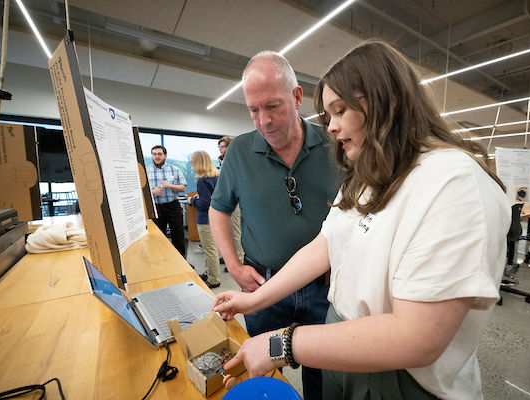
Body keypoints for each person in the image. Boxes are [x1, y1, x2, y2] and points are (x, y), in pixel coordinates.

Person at [213, 40, 511, 400]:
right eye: (328, 116)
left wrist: (283, 344)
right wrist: (254, 300)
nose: (332, 129)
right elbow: (323, 245)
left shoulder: (453, 182)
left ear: (389, 101)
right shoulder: (368, 174)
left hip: (404, 378)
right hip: (346, 348)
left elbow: (416, 338)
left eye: (340, 111)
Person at [209, 51, 339, 400]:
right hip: (262, 286)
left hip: (324, 289)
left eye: (273, 106)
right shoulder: (238, 152)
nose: (263, 121)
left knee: (323, 379)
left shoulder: (336, 144)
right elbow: (218, 210)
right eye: (254, 110)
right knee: (258, 375)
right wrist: (234, 266)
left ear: (297, 97)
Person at [147, 145, 187, 257]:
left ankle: (181, 262)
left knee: (178, 235)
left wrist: (170, 185)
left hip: (172, 206)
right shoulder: (146, 171)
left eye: (159, 154)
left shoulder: (175, 169)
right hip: (156, 207)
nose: (157, 156)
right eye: (154, 154)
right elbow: (141, 191)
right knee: (158, 238)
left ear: (165, 156)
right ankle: (162, 264)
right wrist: (153, 192)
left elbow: (183, 188)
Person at [188, 151, 221, 288]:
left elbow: (204, 204)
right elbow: (211, 198)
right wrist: (200, 198)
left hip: (205, 219)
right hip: (215, 218)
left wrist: (192, 201)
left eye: (193, 161)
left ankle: (214, 280)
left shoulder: (202, 180)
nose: (191, 164)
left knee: (210, 249)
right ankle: (208, 273)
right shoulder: (215, 177)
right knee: (211, 248)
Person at [217, 136, 244, 266]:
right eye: (220, 147)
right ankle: (228, 257)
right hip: (226, 201)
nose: (221, 149)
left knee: (236, 232)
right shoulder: (224, 161)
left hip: (235, 202)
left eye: (223, 146)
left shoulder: (236, 160)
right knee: (226, 231)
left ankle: (239, 259)